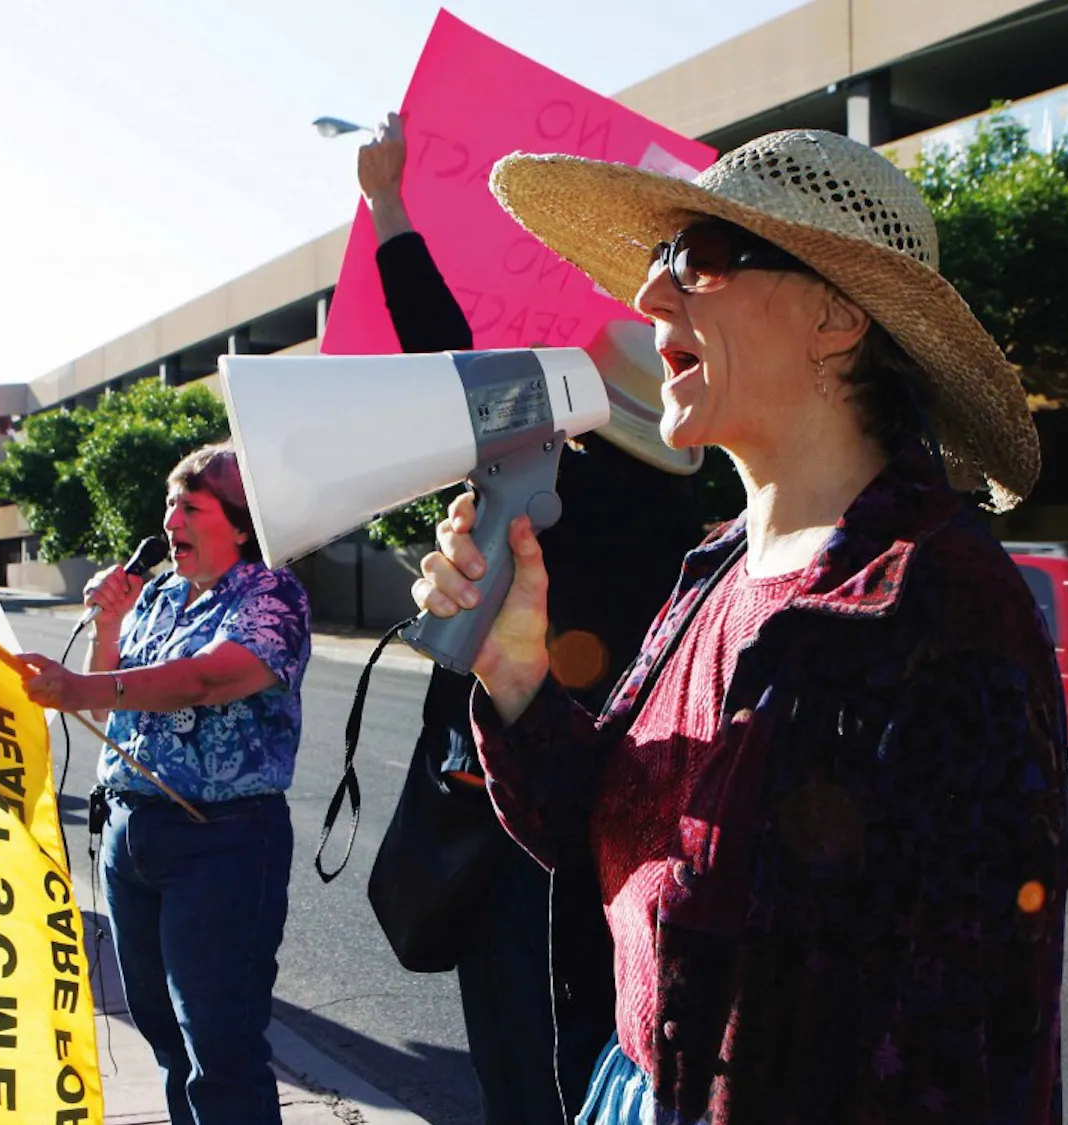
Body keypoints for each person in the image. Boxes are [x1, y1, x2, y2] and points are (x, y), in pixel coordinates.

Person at [413, 129, 1065, 1123]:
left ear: (838, 315)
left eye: (701, 260)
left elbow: (969, 1038)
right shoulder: (712, 569)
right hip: (625, 1092)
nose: (649, 299)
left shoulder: (943, 604)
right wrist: (513, 673)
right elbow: (597, 836)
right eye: (656, 264)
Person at [359, 111, 702, 1124]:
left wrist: (387, 203)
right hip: (623, 835)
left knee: (522, 1063)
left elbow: (443, 355)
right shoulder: (694, 517)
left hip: (521, 818)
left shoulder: (561, 482)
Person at [17, 443, 311, 1125]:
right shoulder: (159, 596)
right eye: (170, 504)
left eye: (190, 506)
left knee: (219, 1043)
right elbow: (103, 708)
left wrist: (84, 683)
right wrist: (112, 624)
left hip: (221, 844)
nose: (170, 518)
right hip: (130, 835)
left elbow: (213, 676)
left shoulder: (272, 594)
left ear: (239, 525)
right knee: (164, 1032)